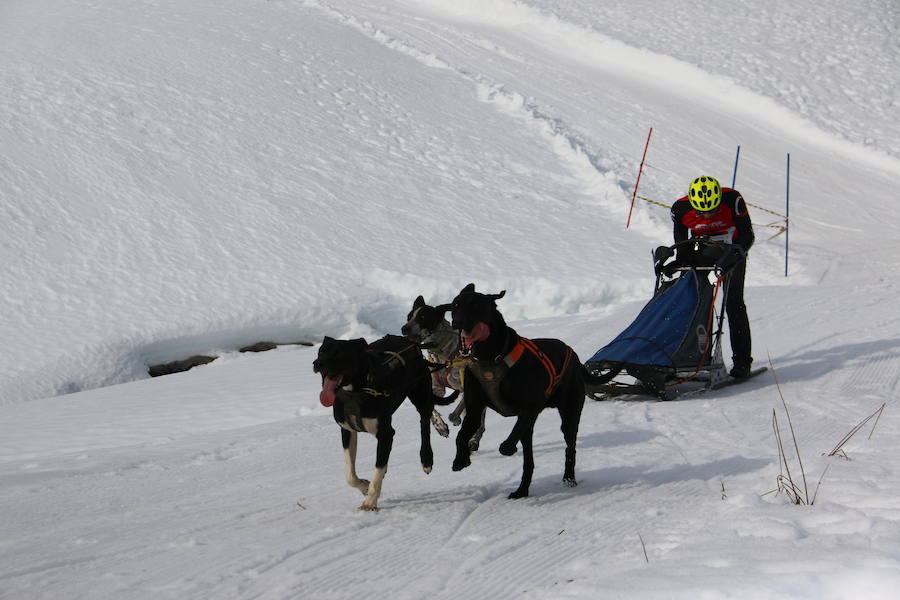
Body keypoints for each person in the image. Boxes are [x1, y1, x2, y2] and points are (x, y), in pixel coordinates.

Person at [666, 175, 755, 378]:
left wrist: (734, 257)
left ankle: (742, 362)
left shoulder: (733, 200)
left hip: (732, 250)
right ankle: (684, 357)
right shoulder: (679, 209)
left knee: (733, 303)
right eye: (701, 212)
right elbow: (683, 246)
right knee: (692, 302)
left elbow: (748, 236)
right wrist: (677, 263)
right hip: (703, 251)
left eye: (712, 211)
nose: (706, 217)